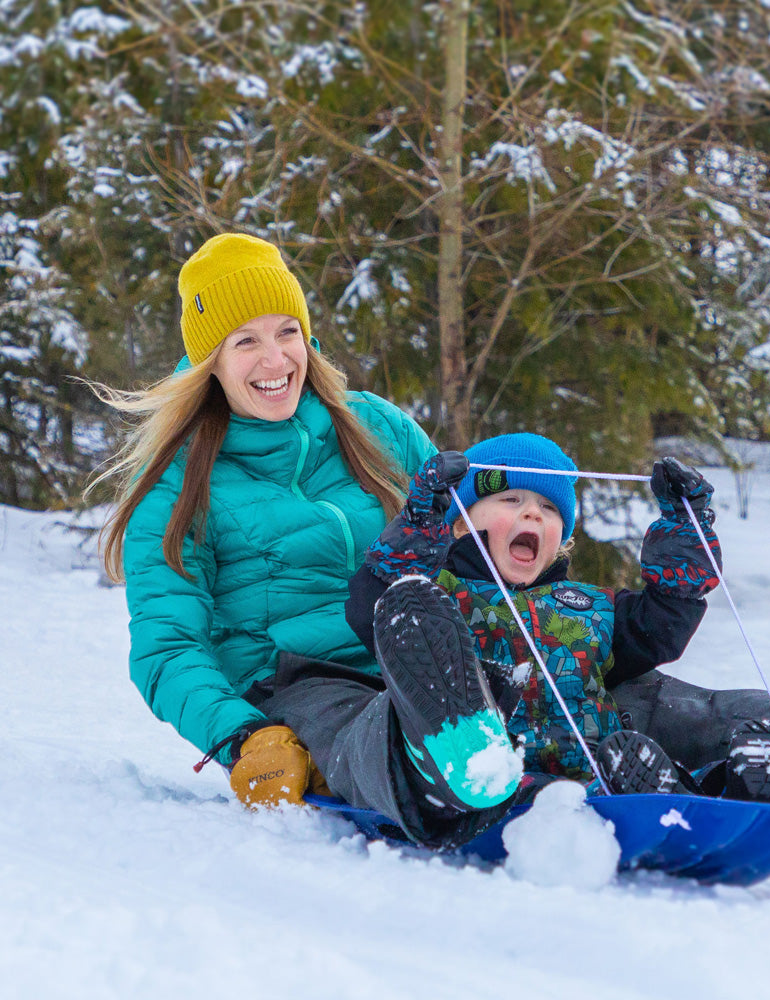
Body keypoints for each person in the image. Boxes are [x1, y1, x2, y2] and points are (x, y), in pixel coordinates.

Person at [347, 433, 770, 852]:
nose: (532, 516)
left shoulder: (586, 606)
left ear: (562, 539)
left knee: (693, 712)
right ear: (462, 520)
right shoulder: (435, 594)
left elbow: (655, 634)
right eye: (511, 499)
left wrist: (680, 572)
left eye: (548, 510)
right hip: (488, 776)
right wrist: (414, 540)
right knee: (412, 621)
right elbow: (374, 608)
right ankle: (468, 758)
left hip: (595, 765)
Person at [93, 232, 520, 848]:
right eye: (246, 341)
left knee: (557, 672)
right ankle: (441, 765)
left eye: (286, 331)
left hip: (422, 651)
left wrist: (520, 518)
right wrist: (244, 736)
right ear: (209, 359)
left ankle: (691, 737)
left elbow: (468, 538)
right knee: (352, 728)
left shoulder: (372, 424)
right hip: (298, 684)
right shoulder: (177, 480)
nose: (275, 359)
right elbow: (166, 647)